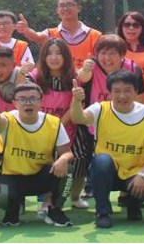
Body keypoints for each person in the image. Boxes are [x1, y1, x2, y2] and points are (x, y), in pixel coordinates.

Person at [71, 69, 144, 229]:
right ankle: (103, 212)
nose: (122, 96)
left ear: (136, 91)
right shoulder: (100, 109)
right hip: (106, 172)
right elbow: (78, 118)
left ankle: (133, 203)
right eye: (117, 91)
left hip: (134, 172)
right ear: (110, 92)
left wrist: (143, 175)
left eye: (127, 91)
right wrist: (77, 101)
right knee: (102, 161)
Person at [0, 82, 74, 227]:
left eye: (33, 98)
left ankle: (54, 209)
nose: (28, 103)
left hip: (41, 176)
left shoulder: (53, 123)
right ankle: (12, 210)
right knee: (1, 197)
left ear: (41, 101)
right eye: (22, 99)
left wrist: (63, 159)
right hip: (12, 177)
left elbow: (67, 153)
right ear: (14, 103)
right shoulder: (7, 120)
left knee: (68, 169)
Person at [31, 39, 87, 211]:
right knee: (47, 164)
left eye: (58, 53)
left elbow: (77, 104)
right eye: (49, 53)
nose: (54, 58)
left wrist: (58, 126)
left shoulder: (75, 78)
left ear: (66, 56)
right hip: (41, 130)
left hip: (70, 127)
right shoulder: (35, 76)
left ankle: (75, 197)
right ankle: (47, 200)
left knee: (78, 161)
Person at [18, 0, 102, 71]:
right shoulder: (51, 33)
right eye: (62, 6)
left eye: (69, 5)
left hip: (86, 80)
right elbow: (37, 37)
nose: (65, 8)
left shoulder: (95, 36)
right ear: (57, 10)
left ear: (79, 8)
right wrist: (26, 30)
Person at [78, 34, 144, 104]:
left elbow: (139, 99)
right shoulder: (92, 65)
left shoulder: (133, 68)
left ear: (122, 55)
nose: (107, 58)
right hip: (95, 110)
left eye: (112, 53)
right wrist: (85, 70)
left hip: (124, 110)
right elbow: (83, 78)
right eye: (103, 53)